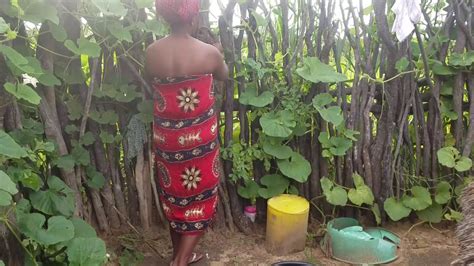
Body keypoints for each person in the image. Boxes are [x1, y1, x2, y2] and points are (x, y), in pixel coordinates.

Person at [145, 0, 228, 265]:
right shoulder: (209, 54)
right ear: (193, 18)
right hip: (199, 139)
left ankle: (181, 254)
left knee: (175, 195)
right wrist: (219, 53)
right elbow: (224, 75)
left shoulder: (152, 52)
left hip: (167, 139)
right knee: (200, 196)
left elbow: (151, 78)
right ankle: (180, 261)